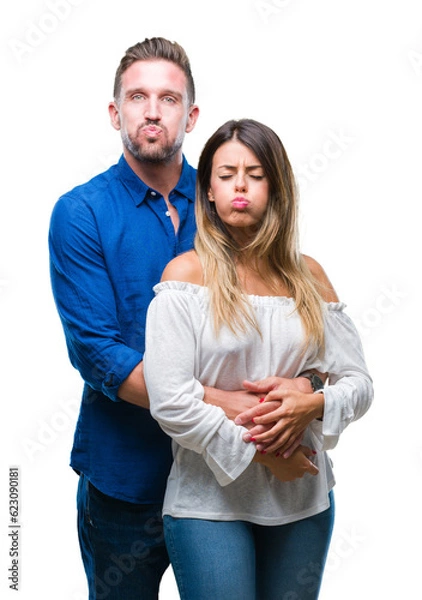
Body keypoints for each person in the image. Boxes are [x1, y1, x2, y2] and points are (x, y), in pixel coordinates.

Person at [48, 38, 314, 599]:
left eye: (168, 98)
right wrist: (235, 406)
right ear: (115, 112)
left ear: (191, 116)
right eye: (137, 96)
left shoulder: (228, 200)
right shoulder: (81, 214)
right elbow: (99, 354)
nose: (152, 110)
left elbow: (284, 318)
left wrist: (306, 387)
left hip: (231, 483)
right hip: (127, 480)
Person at [144, 118, 374, 599]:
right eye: (226, 175)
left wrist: (313, 402)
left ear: (276, 186)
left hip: (303, 501)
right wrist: (269, 455)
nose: (240, 186)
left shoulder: (309, 276)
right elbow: (170, 400)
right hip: (208, 504)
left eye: (255, 173)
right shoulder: (185, 277)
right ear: (208, 190)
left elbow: (357, 381)